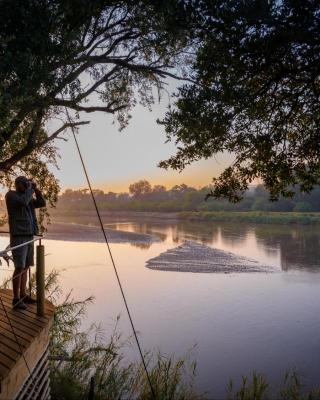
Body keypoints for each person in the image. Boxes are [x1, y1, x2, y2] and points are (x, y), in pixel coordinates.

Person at [5, 176, 46, 310]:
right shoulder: (11, 195)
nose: (27, 186)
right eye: (25, 184)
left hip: (29, 235)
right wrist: (30, 189)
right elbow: (23, 202)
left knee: (26, 266)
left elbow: (41, 203)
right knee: (19, 267)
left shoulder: (27, 197)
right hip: (18, 236)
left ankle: (23, 295)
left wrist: (37, 190)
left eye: (27, 184)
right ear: (18, 184)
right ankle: (16, 299)